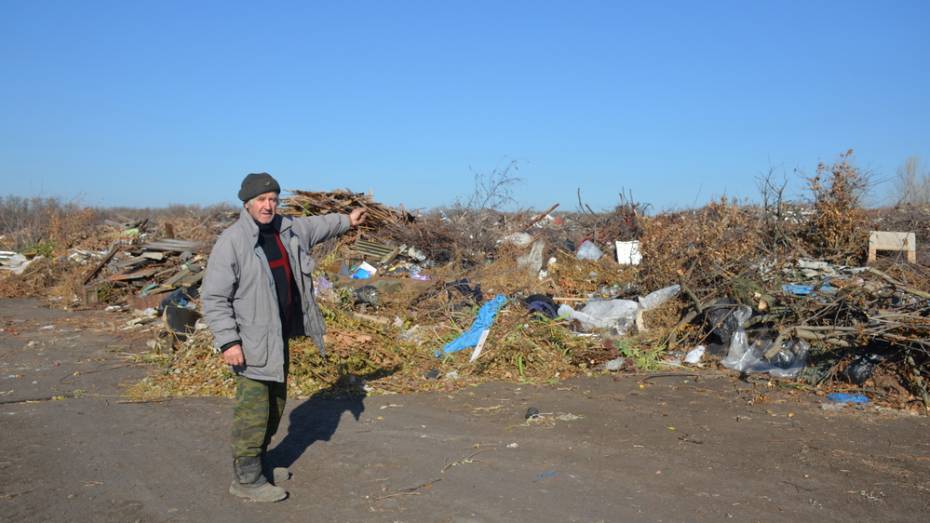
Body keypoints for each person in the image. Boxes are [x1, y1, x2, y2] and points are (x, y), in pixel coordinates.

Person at [202, 172, 366, 502]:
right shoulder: (232, 242)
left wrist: (348, 220)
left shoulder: (287, 229)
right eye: (262, 200)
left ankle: (261, 464)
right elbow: (214, 298)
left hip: (277, 338)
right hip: (249, 344)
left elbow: (320, 225)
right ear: (247, 203)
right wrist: (228, 342)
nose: (268, 205)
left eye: (273, 200)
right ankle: (246, 480)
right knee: (254, 412)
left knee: (275, 405)